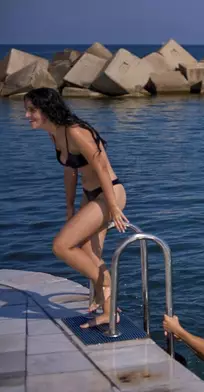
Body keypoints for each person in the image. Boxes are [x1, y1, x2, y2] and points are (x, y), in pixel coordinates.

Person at [23, 87, 128, 329]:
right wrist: (69, 207)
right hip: (89, 194)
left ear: (47, 110)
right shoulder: (55, 134)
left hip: (108, 192)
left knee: (61, 246)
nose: (27, 115)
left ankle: (106, 284)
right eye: (27, 111)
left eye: (32, 110)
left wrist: (112, 207)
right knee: (90, 254)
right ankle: (109, 310)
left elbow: (101, 166)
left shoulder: (75, 131)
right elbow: (70, 169)